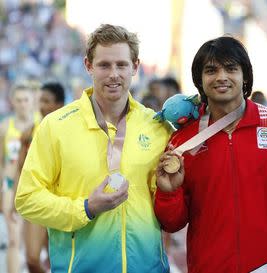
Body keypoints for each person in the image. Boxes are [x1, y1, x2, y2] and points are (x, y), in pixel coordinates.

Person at [15, 24, 171, 273]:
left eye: (121, 65)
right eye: (104, 65)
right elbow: (26, 199)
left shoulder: (155, 125)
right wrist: (85, 208)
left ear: (135, 67)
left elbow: (167, 202)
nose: (113, 74)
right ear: (88, 66)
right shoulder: (56, 126)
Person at [154, 36, 267, 272]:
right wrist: (169, 192)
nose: (221, 77)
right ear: (199, 80)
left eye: (231, 69)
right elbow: (173, 223)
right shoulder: (182, 142)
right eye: (211, 70)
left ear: (245, 76)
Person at [11, 82, 66, 273]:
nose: (41, 105)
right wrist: (14, 200)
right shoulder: (29, 132)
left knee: (57, 261)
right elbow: (19, 168)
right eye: (40, 100)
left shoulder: (67, 131)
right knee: (32, 259)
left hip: (60, 202)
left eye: (46, 101)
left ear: (59, 104)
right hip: (35, 200)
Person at [0, 82, 39, 273]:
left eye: (26, 100)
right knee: (13, 239)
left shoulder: (41, 125)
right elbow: (1, 162)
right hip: (11, 186)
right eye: (19, 100)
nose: (23, 104)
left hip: (34, 187)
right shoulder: (5, 127)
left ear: (32, 102)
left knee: (30, 244)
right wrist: (5, 188)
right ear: (12, 102)